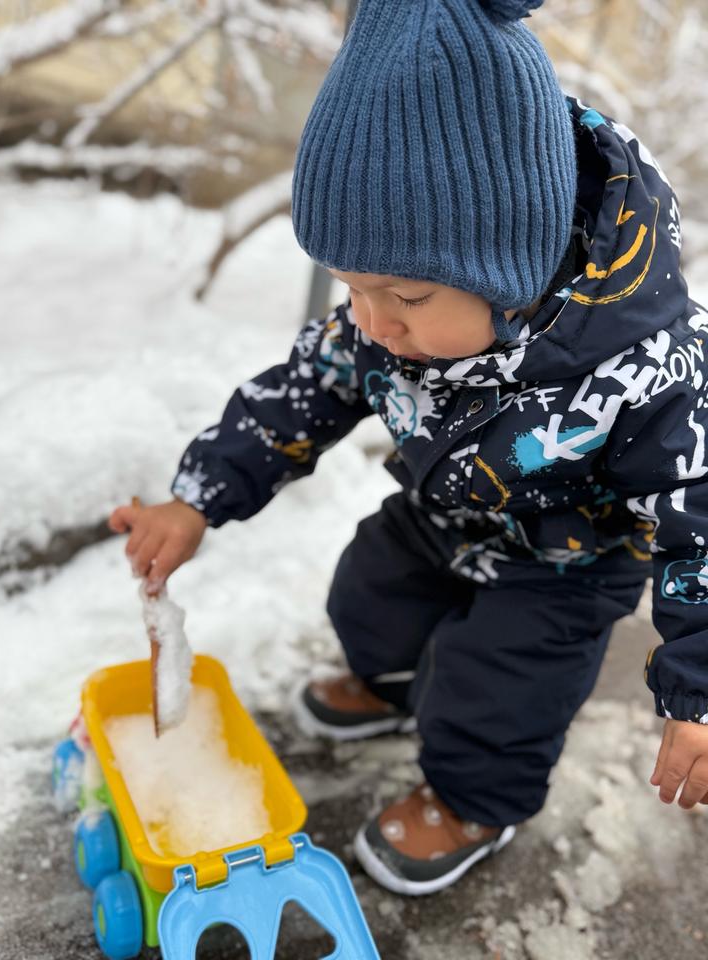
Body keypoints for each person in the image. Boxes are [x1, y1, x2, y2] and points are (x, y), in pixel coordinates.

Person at [109, 0, 708, 896]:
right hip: (443, 512)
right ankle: (392, 684)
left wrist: (697, 693)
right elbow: (302, 390)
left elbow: (701, 522)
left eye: (406, 297)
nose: (372, 322)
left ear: (512, 265)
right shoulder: (385, 324)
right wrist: (199, 495)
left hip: (566, 566)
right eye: (350, 288)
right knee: (367, 595)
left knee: (495, 689)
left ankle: (474, 802)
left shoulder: (652, 372)